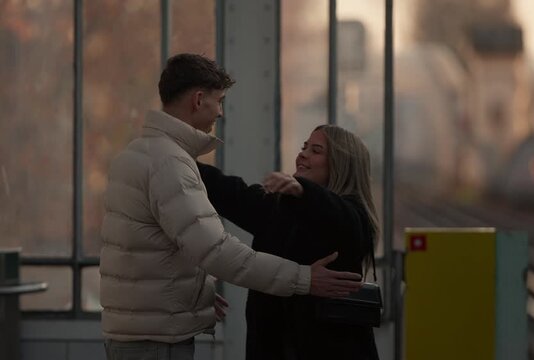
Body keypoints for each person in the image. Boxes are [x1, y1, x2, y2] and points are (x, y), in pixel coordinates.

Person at [99, 54, 362, 360]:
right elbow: (215, 251)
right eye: (219, 101)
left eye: (315, 150)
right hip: (155, 341)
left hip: (141, 331)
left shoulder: (139, 154)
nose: (220, 112)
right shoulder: (169, 163)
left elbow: (155, 246)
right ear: (199, 100)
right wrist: (305, 278)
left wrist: (196, 292)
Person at [197, 124, 380, 360]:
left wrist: (305, 191)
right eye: (304, 147)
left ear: (341, 165)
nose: (302, 154)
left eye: (316, 150)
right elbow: (232, 192)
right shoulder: (279, 208)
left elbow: (344, 220)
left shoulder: (353, 217)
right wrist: (183, 163)